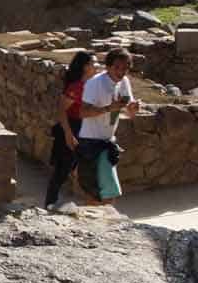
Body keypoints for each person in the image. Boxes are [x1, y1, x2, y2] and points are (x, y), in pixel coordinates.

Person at [76, 48, 140, 203]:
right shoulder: (94, 84)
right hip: (91, 143)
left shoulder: (124, 82)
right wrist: (108, 108)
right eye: (117, 67)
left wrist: (133, 108)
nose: (121, 71)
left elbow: (129, 111)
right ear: (108, 67)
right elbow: (82, 112)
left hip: (108, 142)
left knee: (102, 193)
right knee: (102, 193)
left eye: (125, 67)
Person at [44, 50, 99, 208]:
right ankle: (49, 205)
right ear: (85, 67)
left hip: (86, 130)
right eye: (94, 63)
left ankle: (88, 205)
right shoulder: (76, 87)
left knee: (82, 169)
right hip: (72, 128)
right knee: (62, 170)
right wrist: (68, 134)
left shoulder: (93, 85)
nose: (97, 66)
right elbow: (62, 111)